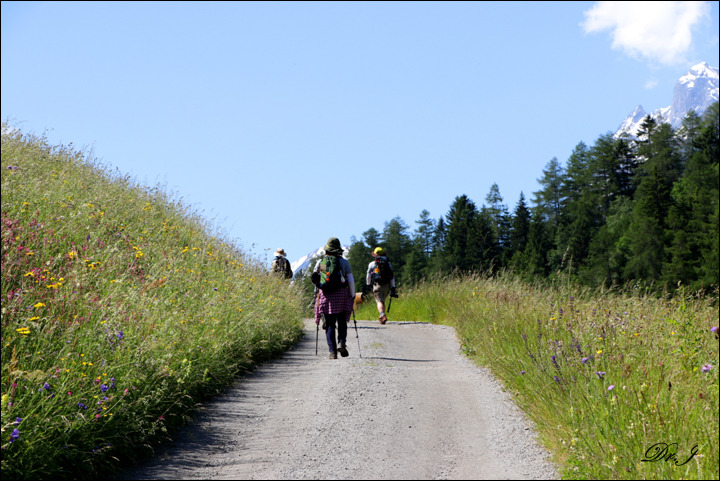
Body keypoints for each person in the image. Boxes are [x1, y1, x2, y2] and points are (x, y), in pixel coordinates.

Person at [311, 237, 355, 359]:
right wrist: (352, 295)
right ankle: (342, 343)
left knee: (330, 324)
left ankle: (332, 352)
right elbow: (350, 281)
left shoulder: (322, 263)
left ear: (327, 250)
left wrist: (316, 293)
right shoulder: (344, 262)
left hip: (326, 295)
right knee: (342, 321)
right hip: (341, 294)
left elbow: (320, 279)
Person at [365, 247, 397, 324]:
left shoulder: (372, 264)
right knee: (382, 302)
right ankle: (381, 318)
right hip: (386, 285)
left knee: (379, 302)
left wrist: (368, 284)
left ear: (375, 254)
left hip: (377, 285)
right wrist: (393, 287)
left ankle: (382, 314)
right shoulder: (388, 264)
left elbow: (368, 275)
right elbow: (392, 276)